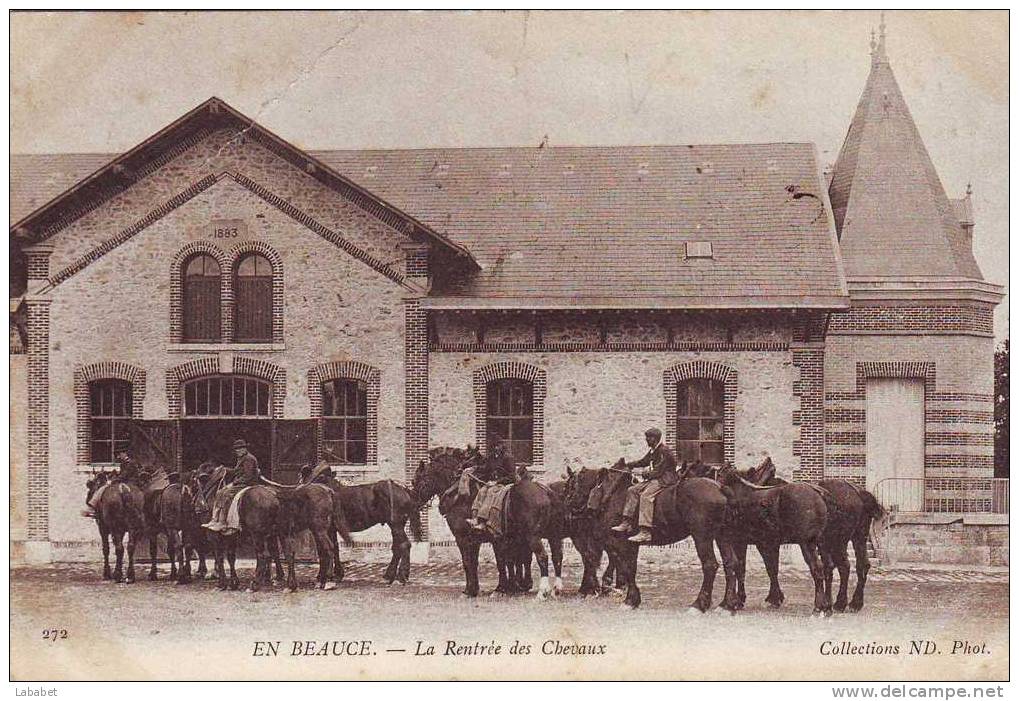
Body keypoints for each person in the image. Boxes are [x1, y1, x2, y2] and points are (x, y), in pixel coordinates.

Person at [610, 427, 679, 543]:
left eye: (648, 438)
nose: (646, 440)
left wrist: (645, 473)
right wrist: (628, 465)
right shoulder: (653, 450)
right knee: (632, 490)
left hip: (664, 480)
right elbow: (644, 461)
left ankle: (645, 531)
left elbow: (659, 471)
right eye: (646, 437)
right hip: (655, 479)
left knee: (646, 496)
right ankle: (627, 522)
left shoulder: (664, 451)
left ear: (655, 439)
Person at [202, 439, 261, 533]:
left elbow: (248, 476)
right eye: (237, 449)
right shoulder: (241, 458)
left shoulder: (249, 459)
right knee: (220, 492)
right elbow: (236, 471)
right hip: (241, 482)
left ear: (245, 449)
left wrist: (235, 482)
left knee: (225, 493)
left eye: (240, 449)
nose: (238, 451)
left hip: (246, 483)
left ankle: (223, 521)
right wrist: (225, 469)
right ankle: (216, 519)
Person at [466, 442, 518, 531]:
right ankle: (475, 518)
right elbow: (486, 469)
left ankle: (483, 521)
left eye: (498, 446)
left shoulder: (508, 458)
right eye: (494, 446)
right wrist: (474, 468)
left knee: (490, 492)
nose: (496, 448)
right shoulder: (492, 457)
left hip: (505, 483)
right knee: (482, 491)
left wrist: (496, 482)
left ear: (502, 447)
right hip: (493, 483)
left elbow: (512, 476)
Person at [82, 451, 140, 518]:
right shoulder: (126, 462)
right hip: (128, 481)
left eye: (120, 454)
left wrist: (113, 480)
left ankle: (92, 506)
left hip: (129, 482)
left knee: (103, 488)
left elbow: (125, 475)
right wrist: (114, 474)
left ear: (124, 454)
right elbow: (123, 474)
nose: (119, 456)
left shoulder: (130, 463)